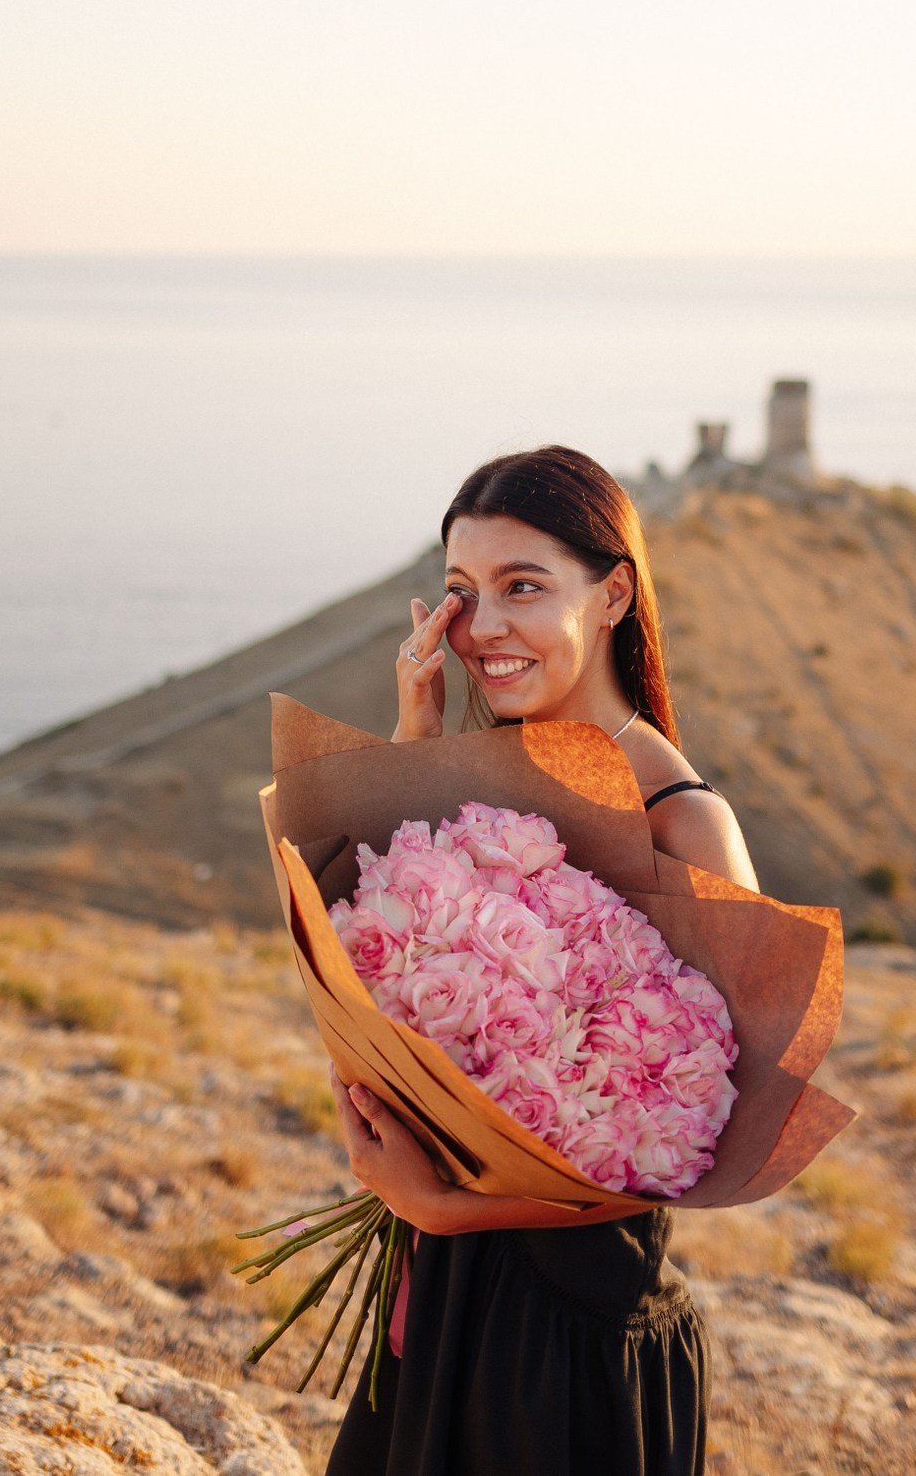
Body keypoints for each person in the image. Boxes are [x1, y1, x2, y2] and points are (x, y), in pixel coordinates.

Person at [323, 446, 753, 1476]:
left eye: (523, 587)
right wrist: (414, 741)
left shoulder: (685, 822)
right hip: (441, 1301)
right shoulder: (480, 783)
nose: (482, 627)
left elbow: (719, 1139)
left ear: (614, 595)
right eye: (463, 592)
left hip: (571, 1343)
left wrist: (448, 1206)